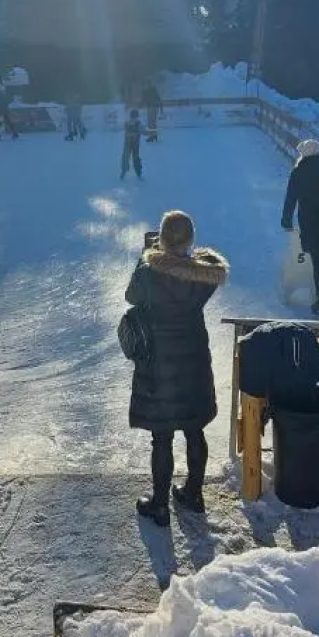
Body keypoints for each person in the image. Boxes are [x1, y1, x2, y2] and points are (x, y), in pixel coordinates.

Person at [126, 211, 230, 526]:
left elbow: (131, 296)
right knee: (194, 429)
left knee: (162, 437)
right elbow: (206, 262)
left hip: (158, 364)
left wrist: (147, 255)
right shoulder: (202, 277)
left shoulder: (148, 273)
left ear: (161, 238)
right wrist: (183, 255)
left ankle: (159, 505)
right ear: (190, 240)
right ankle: (193, 494)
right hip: (194, 362)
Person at [281, 139, 319, 315]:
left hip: (310, 222)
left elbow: (290, 198)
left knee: (317, 260)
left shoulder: (298, 172)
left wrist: (286, 220)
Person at [121, 109, 144, 180]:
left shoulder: (132, 123)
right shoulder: (134, 123)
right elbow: (142, 131)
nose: (135, 118)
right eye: (135, 117)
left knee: (131, 157)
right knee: (131, 157)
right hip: (132, 144)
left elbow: (142, 131)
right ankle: (126, 172)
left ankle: (127, 171)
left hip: (131, 144)